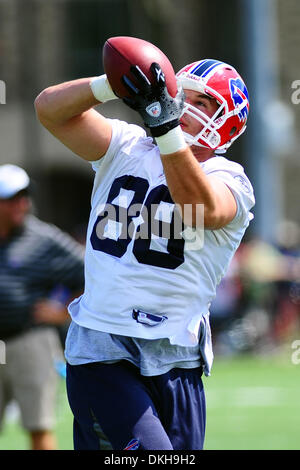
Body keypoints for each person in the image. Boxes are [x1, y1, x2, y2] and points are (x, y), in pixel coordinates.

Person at [34, 53, 255, 450]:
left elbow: (198, 206)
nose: (183, 106)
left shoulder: (229, 179)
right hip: (103, 346)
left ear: (227, 121)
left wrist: (165, 125)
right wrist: (113, 84)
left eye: (201, 102)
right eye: (180, 95)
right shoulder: (126, 144)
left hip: (176, 357)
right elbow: (49, 110)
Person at [0, 164, 85, 450]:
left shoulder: (43, 238)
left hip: (31, 339)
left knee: (39, 425)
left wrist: (62, 313)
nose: (21, 204)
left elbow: (92, 275)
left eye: (25, 197)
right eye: (12, 198)